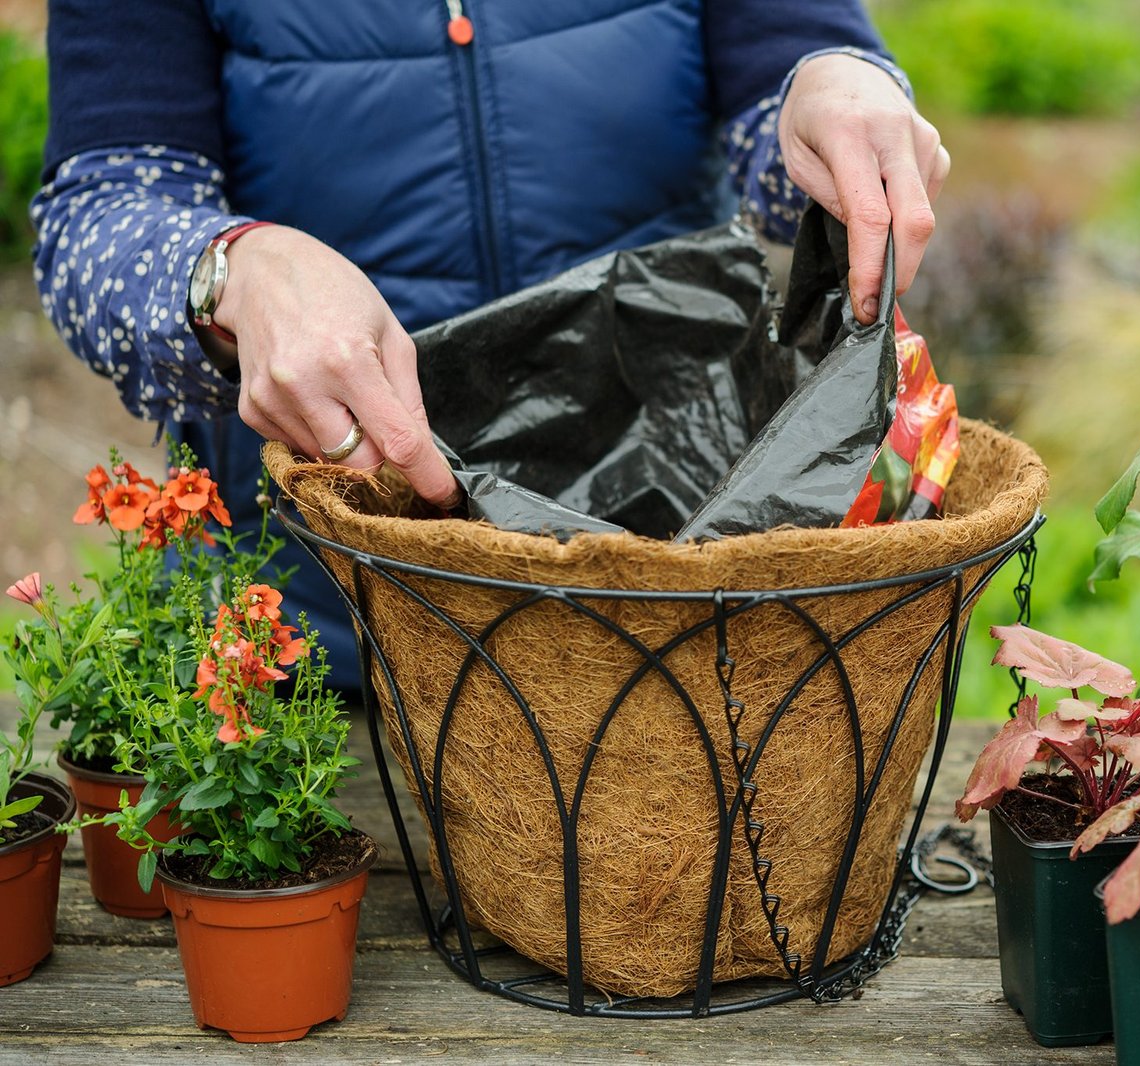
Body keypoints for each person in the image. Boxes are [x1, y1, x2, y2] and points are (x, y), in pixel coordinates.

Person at [31, 0, 948, 689]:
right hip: (324, 614)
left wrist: (831, 88)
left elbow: (782, 79)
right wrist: (227, 270)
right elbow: (99, 212)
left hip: (683, 607)